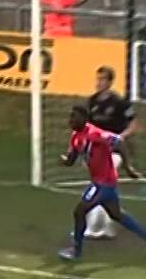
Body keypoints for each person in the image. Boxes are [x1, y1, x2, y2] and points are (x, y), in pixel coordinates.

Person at [57, 106, 144, 261]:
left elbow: (119, 142)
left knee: (79, 211)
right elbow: (71, 160)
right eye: (70, 117)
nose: (70, 120)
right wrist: (64, 161)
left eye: (74, 117)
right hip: (102, 182)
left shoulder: (95, 134)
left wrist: (128, 168)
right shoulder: (76, 137)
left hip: (103, 183)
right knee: (117, 215)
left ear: (84, 118)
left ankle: (76, 251)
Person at [83, 66, 139, 239]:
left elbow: (134, 124)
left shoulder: (120, 102)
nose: (98, 83)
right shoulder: (92, 101)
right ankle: (109, 224)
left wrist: (120, 137)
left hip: (114, 152)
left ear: (109, 82)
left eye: (102, 79)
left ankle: (93, 228)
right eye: (97, 79)